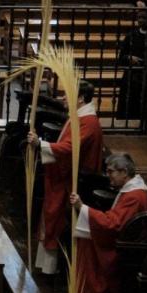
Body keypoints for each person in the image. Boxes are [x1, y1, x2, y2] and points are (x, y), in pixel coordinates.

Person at [70, 153, 147, 293]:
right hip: (123, 256)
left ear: (125, 173)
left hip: (121, 262)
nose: (108, 176)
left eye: (112, 172)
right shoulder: (130, 191)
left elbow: (113, 225)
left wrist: (82, 208)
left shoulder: (134, 196)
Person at [27, 81, 104, 274]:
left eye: (67, 94)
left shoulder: (88, 121)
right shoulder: (80, 117)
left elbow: (70, 148)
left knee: (55, 218)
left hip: (74, 180)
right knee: (50, 215)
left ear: (80, 99)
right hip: (65, 173)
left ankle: (52, 270)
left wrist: (41, 144)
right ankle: (45, 267)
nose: (63, 97)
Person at [116, 11, 147, 119]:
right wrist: (129, 58)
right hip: (132, 74)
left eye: (144, 17)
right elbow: (121, 58)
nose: (141, 20)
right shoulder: (131, 36)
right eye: (139, 17)